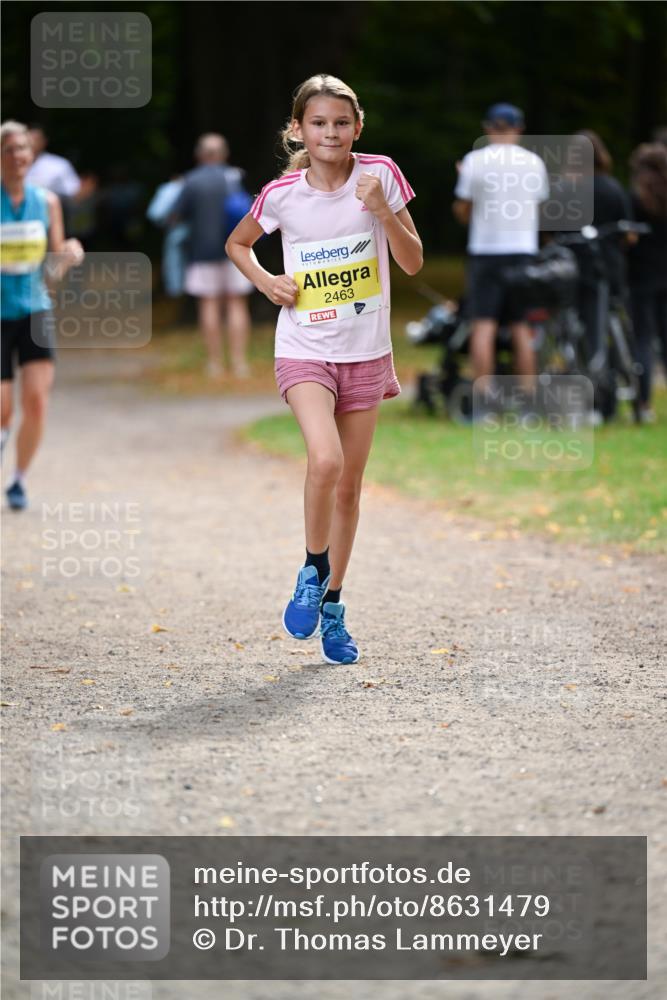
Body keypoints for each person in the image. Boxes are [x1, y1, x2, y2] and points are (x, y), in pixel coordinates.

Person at [226, 73, 422, 665]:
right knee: (327, 460)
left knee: (350, 488)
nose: (330, 132)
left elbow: (411, 263)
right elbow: (238, 245)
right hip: (305, 347)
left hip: (366, 351)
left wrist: (384, 211)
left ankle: (333, 605)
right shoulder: (281, 194)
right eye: (318, 123)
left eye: (341, 122)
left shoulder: (380, 174)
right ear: (298, 130)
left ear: (356, 127)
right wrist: (267, 281)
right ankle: (312, 570)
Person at [1, 120, 84, 510]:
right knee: (3, 407)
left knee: (35, 403)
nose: (18, 156)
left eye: (23, 149)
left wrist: (67, 255)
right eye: (10, 149)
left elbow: (51, 269)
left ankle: (18, 479)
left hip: (35, 311)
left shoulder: (46, 202)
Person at [452, 103, 549, 402]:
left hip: (486, 251)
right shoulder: (534, 163)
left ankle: (483, 397)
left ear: (488, 128)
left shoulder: (474, 161)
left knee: (484, 324)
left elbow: (463, 210)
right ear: (519, 128)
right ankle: (528, 398)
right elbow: (539, 206)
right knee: (522, 326)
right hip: (522, 250)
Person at [173, 134, 254, 379]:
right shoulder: (234, 177)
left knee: (209, 304)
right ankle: (240, 363)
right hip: (236, 251)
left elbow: (175, 216)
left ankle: (214, 364)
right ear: (223, 154)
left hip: (202, 252)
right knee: (236, 303)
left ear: (199, 154)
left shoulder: (190, 181)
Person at [627, 143, 667, 423]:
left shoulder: (635, 199)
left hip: (641, 277)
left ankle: (643, 403)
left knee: (642, 339)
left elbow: (628, 239)